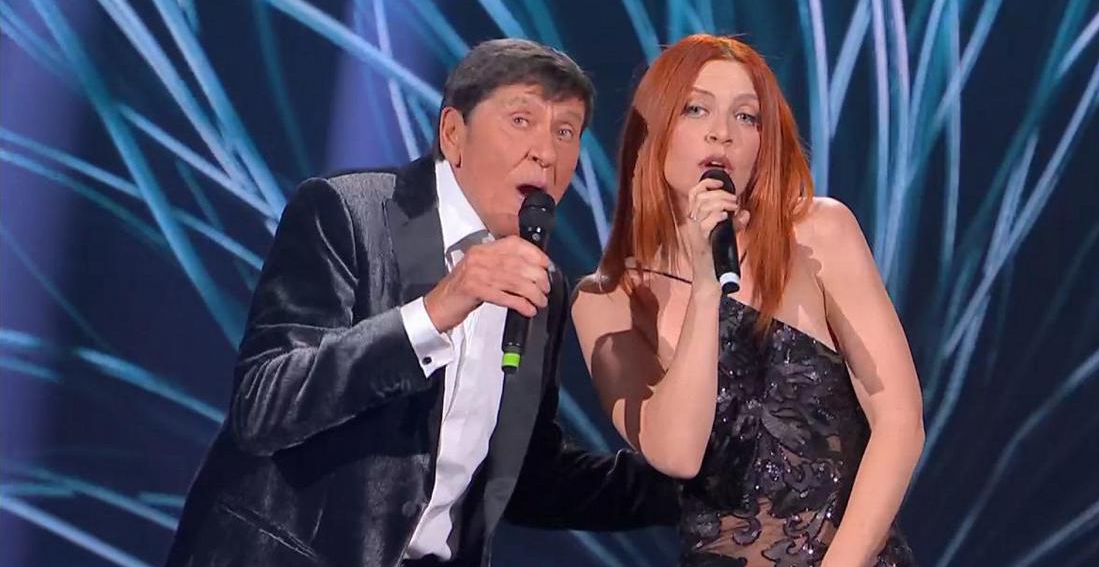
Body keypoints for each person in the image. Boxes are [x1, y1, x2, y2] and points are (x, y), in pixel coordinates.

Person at [165, 39, 677, 567]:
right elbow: (263, 407)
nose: (545, 152)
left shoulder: (541, 286)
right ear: (453, 133)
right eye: (521, 120)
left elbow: (528, 479)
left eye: (565, 131)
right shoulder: (348, 214)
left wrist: (696, 489)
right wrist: (433, 313)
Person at [572, 34, 924, 566]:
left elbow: (899, 420)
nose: (723, 133)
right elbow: (677, 453)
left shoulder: (818, 233)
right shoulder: (609, 297)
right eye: (696, 109)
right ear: (652, 132)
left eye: (746, 117)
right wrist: (705, 287)